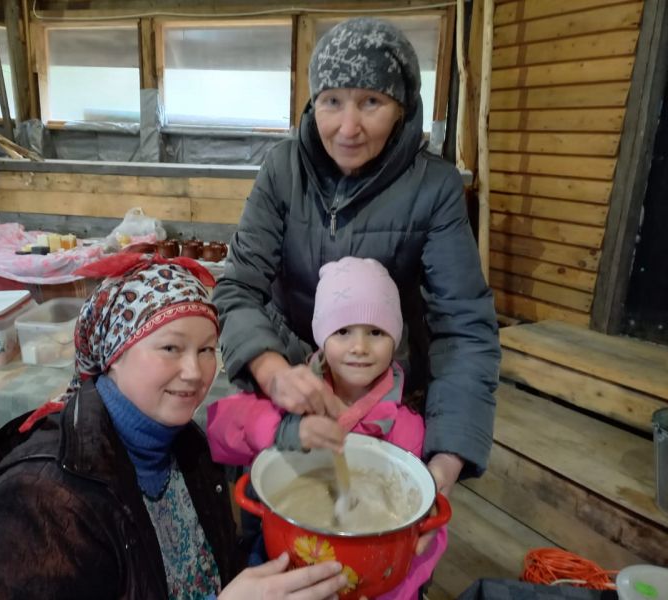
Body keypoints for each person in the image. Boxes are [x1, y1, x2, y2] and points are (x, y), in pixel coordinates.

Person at [212, 16, 501, 550]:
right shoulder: (283, 169)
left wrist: (445, 461)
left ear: (403, 106)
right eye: (332, 101)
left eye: (371, 102)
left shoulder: (434, 187)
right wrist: (273, 372)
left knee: (384, 538)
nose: (348, 127)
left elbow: (464, 327)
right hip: (290, 377)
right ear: (311, 102)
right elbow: (237, 288)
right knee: (271, 521)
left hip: (384, 393)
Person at [0, 253, 349, 600]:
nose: (195, 372)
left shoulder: (185, 448)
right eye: (171, 347)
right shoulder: (37, 503)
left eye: (207, 349)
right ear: (114, 353)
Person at [207, 257, 446, 600]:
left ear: (396, 340)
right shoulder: (295, 396)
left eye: (376, 332)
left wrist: (391, 589)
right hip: (283, 566)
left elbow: (426, 537)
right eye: (343, 331)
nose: (360, 347)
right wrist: (285, 429)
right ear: (321, 336)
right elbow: (219, 431)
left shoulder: (406, 428)